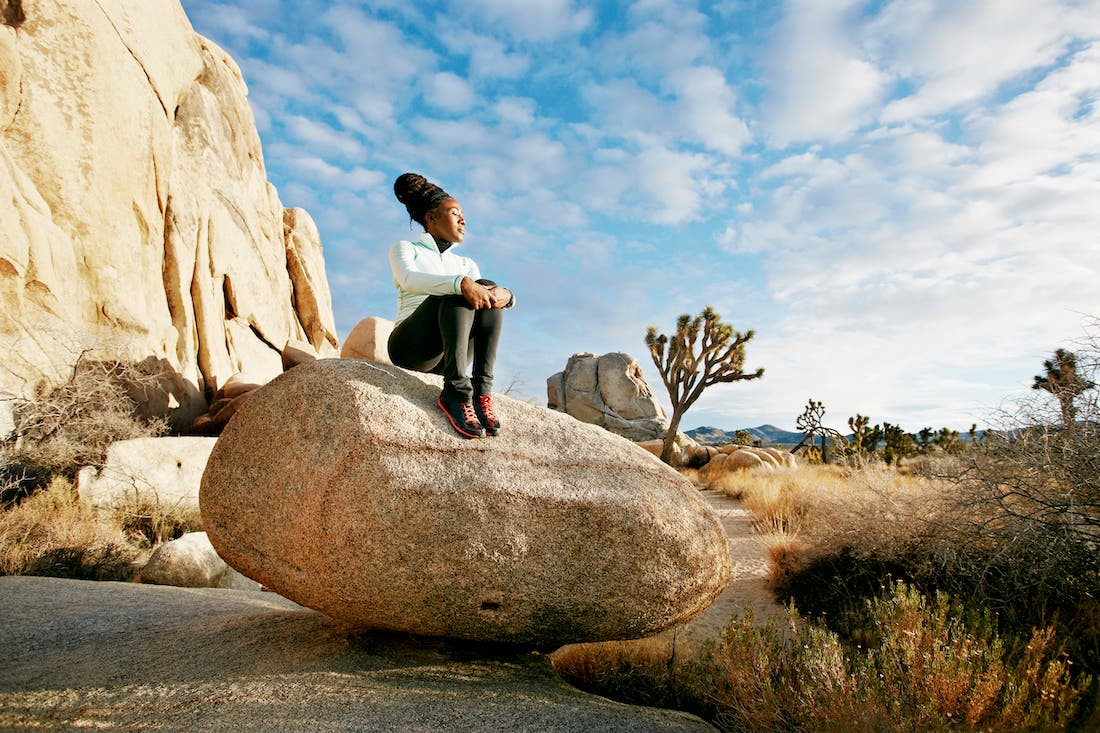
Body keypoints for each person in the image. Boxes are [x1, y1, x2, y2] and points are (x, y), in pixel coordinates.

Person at [387, 172, 514, 439]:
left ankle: (481, 393)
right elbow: (408, 280)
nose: (463, 220)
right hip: (413, 349)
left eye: (462, 214)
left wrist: (507, 296)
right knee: (458, 289)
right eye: (454, 213)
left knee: (483, 284)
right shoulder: (406, 249)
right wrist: (459, 283)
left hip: (450, 355)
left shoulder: (466, 263)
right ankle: (455, 393)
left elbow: (482, 299)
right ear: (431, 218)